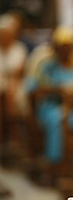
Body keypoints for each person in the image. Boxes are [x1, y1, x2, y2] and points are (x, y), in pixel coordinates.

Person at [25, 26, 73, 165]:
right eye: (62, 47)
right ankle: (56, 163)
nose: (65, 51)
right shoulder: (46, 66)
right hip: (52, 107)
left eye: (68, 47)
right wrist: (54, 90)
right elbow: (33, 89)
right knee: (58, 121)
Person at [0, 13, 28, 148]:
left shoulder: (19, 49)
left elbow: (19, 72)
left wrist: (11, 83)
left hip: (15, 83)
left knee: (11, 96)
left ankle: (14, 137)